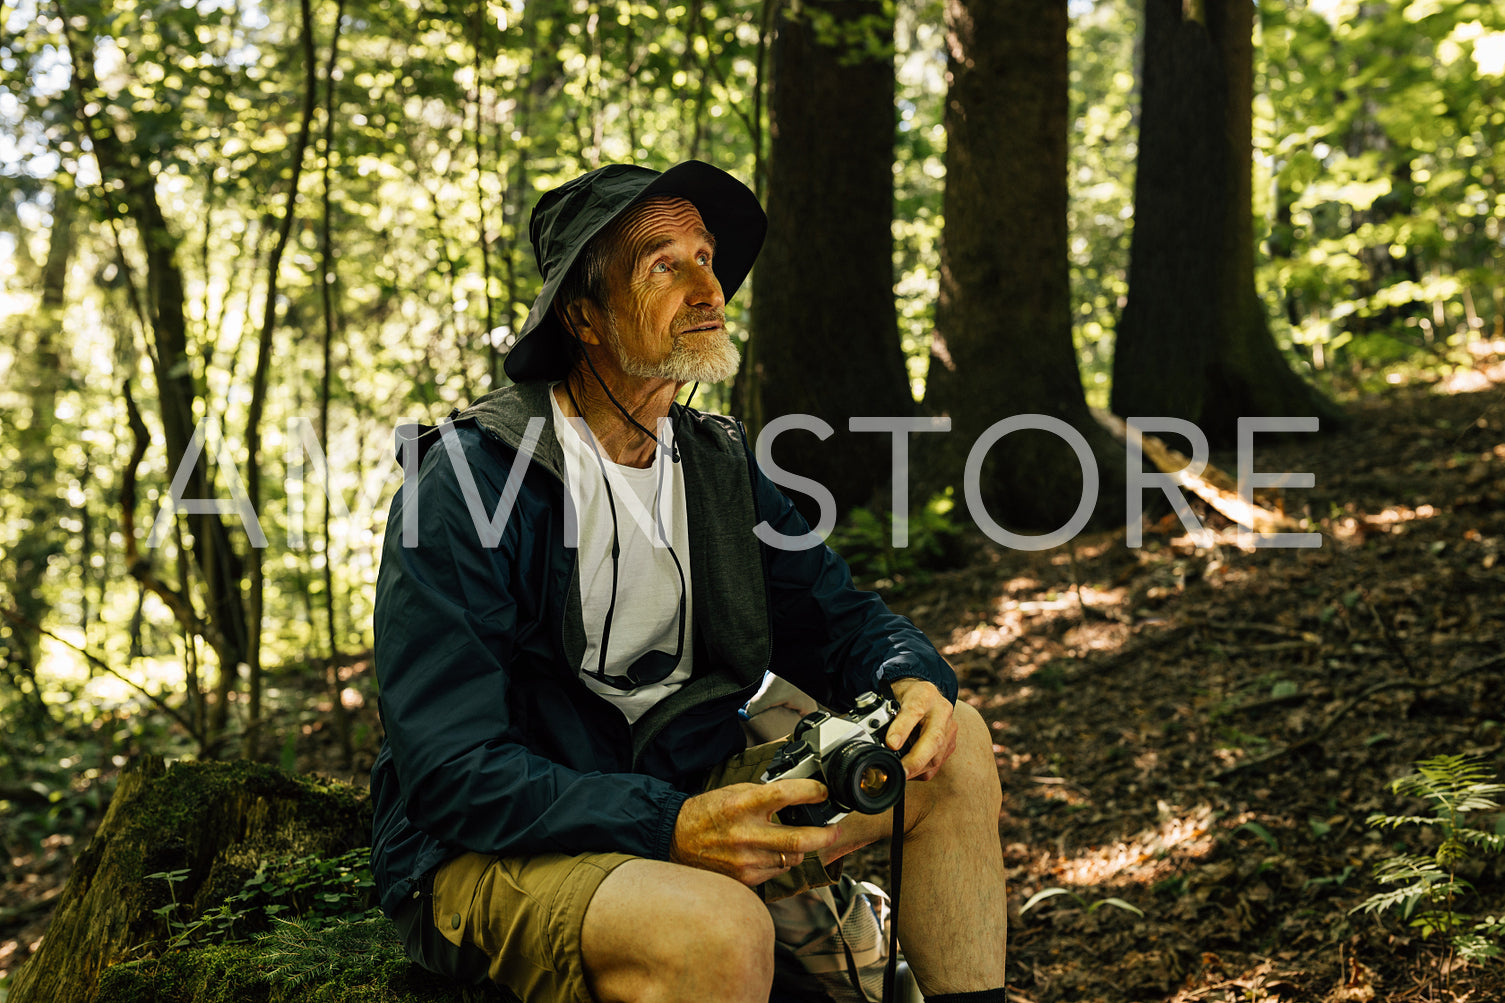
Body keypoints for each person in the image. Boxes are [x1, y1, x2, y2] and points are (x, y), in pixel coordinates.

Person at [370, 159, 1009, 1003]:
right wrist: (664, 825)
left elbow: (837, 617)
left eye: (707, 257)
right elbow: (450, 770)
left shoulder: (714, 463)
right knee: (717, 927)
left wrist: (912, 675)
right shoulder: (470, 481)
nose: (707, 286)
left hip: (679, 791)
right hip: (491, 845)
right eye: (663, 265)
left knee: (955, 744)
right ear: (582, 316)